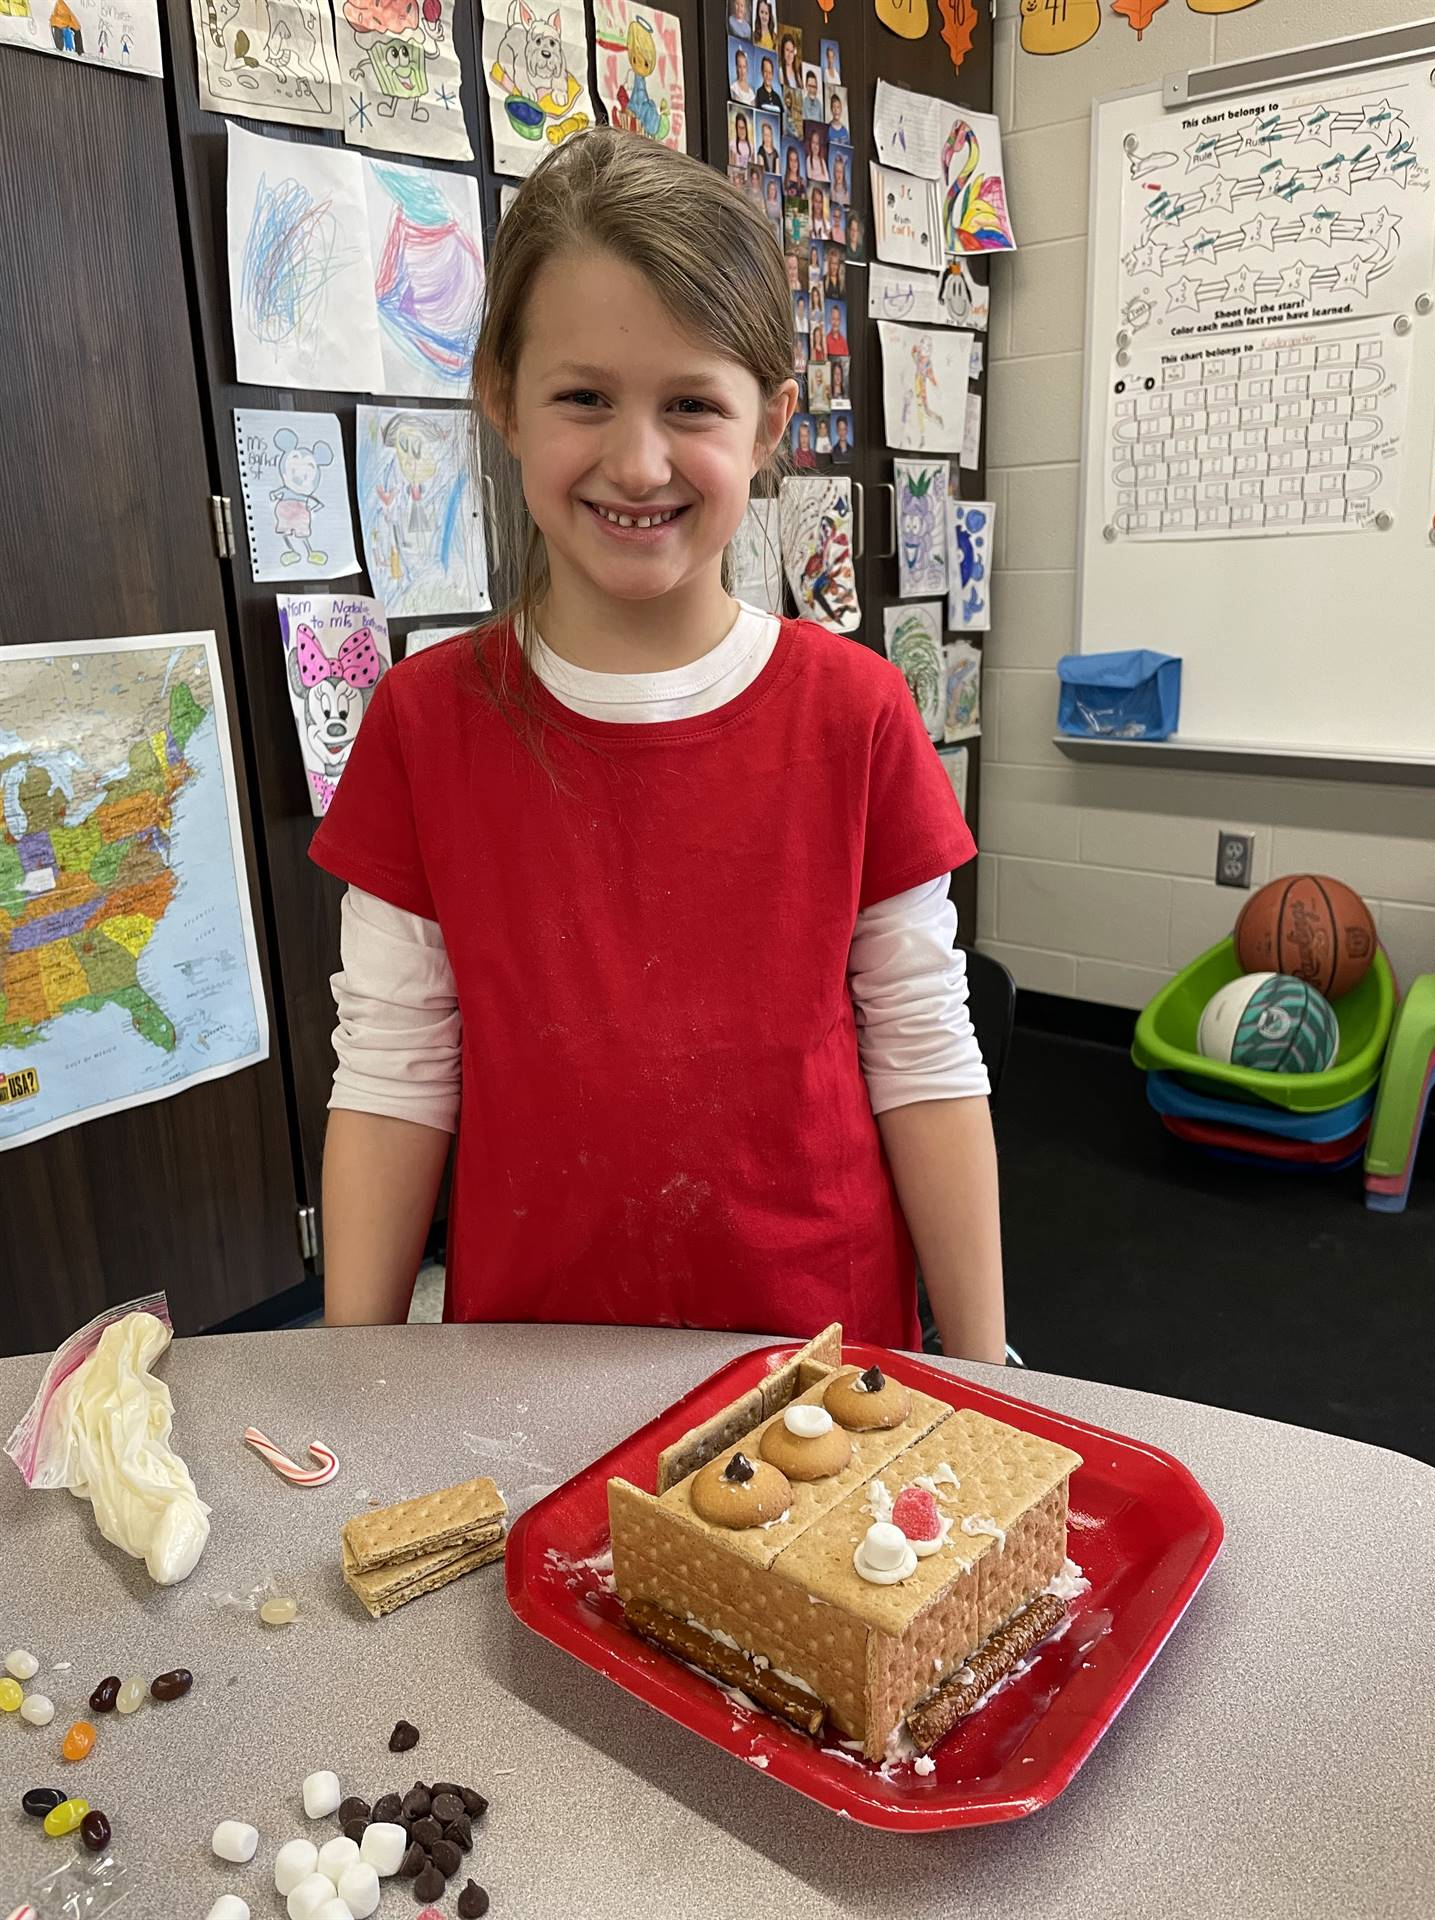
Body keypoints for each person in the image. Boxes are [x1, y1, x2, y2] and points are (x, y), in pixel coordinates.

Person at [312, 129, 1003, 1360]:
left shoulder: (855, 714)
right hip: (524, 1353)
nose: (637, 463)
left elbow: (923, 1052)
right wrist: (349, 1380)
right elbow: (394, 1070)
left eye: (692, 404)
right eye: (583, 397)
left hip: (822, 1357)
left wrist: (990, 1362)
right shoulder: (424, 722)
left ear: (771, 420)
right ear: (501, 398)